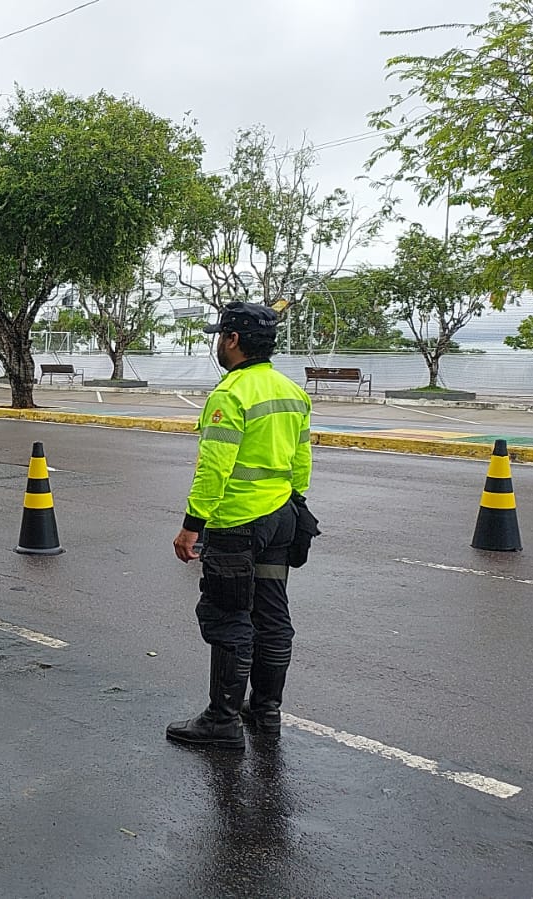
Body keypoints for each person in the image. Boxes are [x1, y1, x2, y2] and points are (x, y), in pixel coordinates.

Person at [168, 301, 312, 751]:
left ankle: (222, 721)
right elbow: (301, 464)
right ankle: (265, 711)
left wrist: (193, 525)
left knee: (230, 617)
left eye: (219, 335)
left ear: (232, 340)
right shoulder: (292, 391)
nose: (217, 342)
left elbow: (214, 467)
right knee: (271, 616)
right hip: (282, 518)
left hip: (236, 525)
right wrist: (289, 503)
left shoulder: (230, 394)